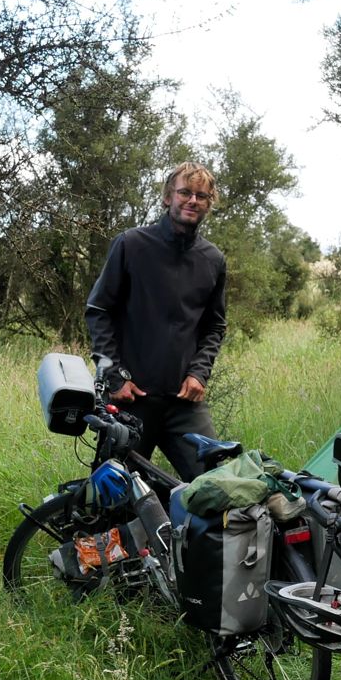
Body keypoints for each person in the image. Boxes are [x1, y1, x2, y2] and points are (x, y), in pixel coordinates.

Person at [85, 161, 227, 482]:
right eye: (185, 193)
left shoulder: (213, 260)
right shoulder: (131, 244)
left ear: (209, 203)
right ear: (167, 197)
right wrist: (114, 377)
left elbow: (214, 326)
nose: (193, 201)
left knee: (214, 488)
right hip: (130, 399)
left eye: (201, 196)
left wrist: (199, 373)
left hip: (184, 404)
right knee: (115, 492)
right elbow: (98, 310)